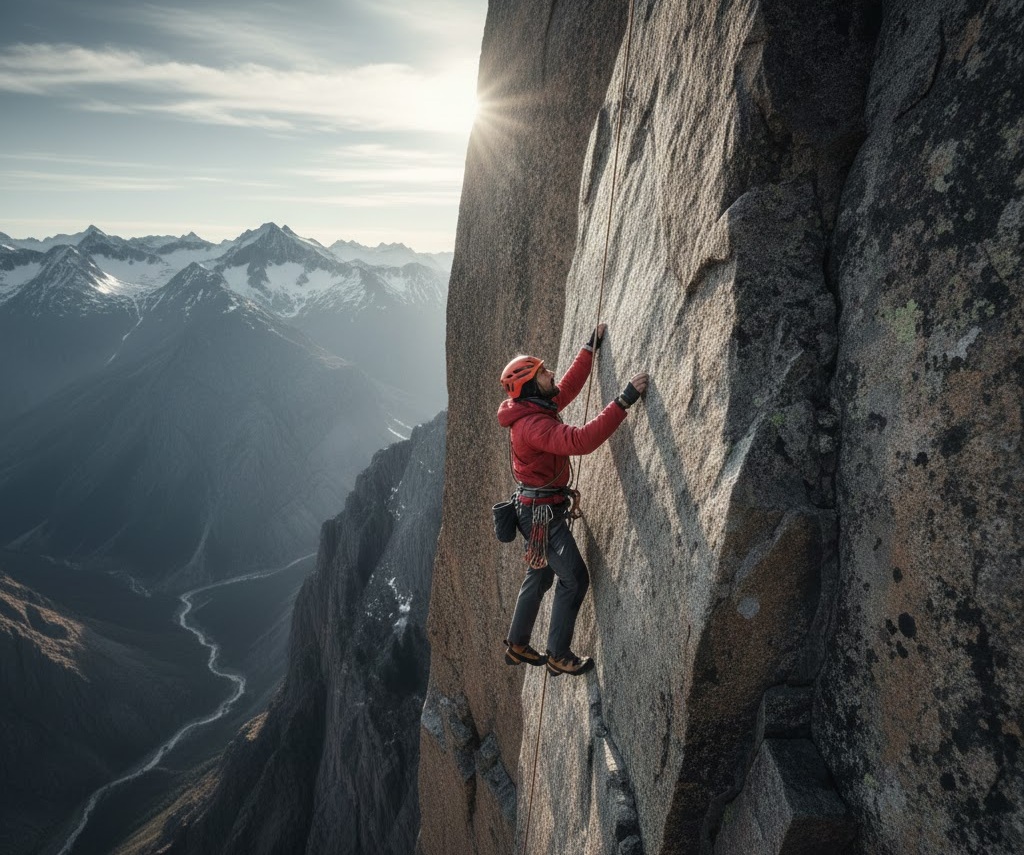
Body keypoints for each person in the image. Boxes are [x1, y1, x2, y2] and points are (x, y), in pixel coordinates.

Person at [497, 323, 648, 676]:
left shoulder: (533, 407)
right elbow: (580, 441)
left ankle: (517, 645)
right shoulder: (533, 425)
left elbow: (566, 387)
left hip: (533, 508)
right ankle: (558, 654)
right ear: (531, 386)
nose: (550, 373)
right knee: (574, 578)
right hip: (541, 516)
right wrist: (623, 401)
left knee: (540, 576)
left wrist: (588, 348)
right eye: (543, 372)